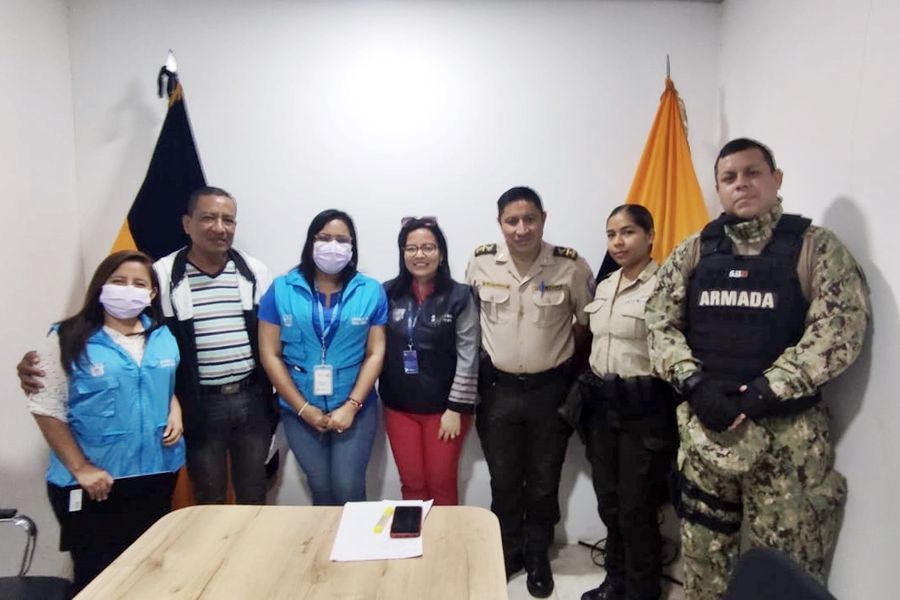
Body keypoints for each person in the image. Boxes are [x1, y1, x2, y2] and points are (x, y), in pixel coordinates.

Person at [645, 138, 870, 600]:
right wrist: (694, 383)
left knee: (784, 571)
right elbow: (657, 322)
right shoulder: (696, 249)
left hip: (787, 443)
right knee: (704, 567)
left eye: (752, 173)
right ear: (718, 188)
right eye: (729, 178)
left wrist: (766, 390)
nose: (741, 184)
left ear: (776, 179)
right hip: (707, 435)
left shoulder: (816, 248)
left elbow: (840, 330)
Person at [19, 186, 275, 506]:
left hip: (251, 399)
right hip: (199, 403)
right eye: (208, 218)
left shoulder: (255, 271)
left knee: (254, 487)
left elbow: (273, 335)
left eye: (228, 220)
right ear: (187, 223)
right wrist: (47, 358)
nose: (219, 227)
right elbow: (119, 327)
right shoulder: (162, 274)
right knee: (208, 492)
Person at [26, 250, 185, 593]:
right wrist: (81, 467)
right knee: (98, 577)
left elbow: (160, 383)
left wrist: (175, 410)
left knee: (148, 570)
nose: (128, 290)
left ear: (152, 293)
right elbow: (46, 406)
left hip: (154, 474)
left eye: (139, 284)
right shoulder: (67, 338)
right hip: (95, 482)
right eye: (118, 281)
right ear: (101, 287)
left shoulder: (162, 335)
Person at [466, 186, 595, 598]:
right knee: (503, 477)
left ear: (543, 219)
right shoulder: (481, 262)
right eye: (512, 221)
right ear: (500, 223)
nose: (521, 229)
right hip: (498, 390)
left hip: (549, 391)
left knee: (543, 478)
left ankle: (538, 553)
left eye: (529, 219)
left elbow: (585, 325)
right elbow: (470, 322)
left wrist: (557, 361)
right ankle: (508, 550)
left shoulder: (570, 267)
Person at [575, 205, 677, 600]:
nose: (618, 242)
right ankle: (614, 581)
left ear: (650, 236)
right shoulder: (605, 285)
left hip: (644, 411)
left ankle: (641, 591)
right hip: (603, 409)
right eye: (611, 234)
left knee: (638, 507)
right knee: (610, 502)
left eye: (628, 232)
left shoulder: (667, 285)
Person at [258, 209, 387, 506]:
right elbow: (270, 353)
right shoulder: (281, 289)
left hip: (355, 408)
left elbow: (375, 352)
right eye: (325, 238)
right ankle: (326, 539)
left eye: (342, 240)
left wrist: (352, 406)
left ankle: (356, 538)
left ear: (352, 247)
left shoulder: (370, 291)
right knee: (320, 488)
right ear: (311, 242)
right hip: (298, 408)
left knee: (348, 487)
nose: (333, 246)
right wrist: (303, 409)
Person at [379, 217, 479, 506]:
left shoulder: (460, 296)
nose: (419, 255)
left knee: (441, 481)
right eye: (411, 248)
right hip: (398, 407)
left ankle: (444, 536)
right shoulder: (387, 293)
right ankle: (414, 534)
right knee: (412, 483)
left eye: (428, 247)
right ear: (402, 253)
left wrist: (456, 408)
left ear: (441, 253)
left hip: (445, 410)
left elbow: (469, 354)